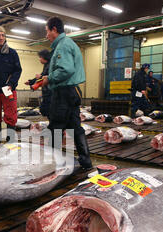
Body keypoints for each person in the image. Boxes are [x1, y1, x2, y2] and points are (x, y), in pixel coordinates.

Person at [41, 17, 93, 170]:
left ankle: (52, 166)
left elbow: (66, 69)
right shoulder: (67, 44)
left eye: (47, 31)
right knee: (75, 126)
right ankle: (86, 161)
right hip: (72, 91)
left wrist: (49, 78)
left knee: (55, 128)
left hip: (64, 92)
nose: (46, 35)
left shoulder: (62, 46)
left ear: (54, 30)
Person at [25, 49, 51, 117]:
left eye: (40, 57)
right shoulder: (46, 65)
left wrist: (41, 77)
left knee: (46, 110)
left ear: (44, 57)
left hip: (50, 93)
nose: (39, 59)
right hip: (46, 93)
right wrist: (31, 82)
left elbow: (51, 77)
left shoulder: (50, 65)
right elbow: (40, 76)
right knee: (44, 110)